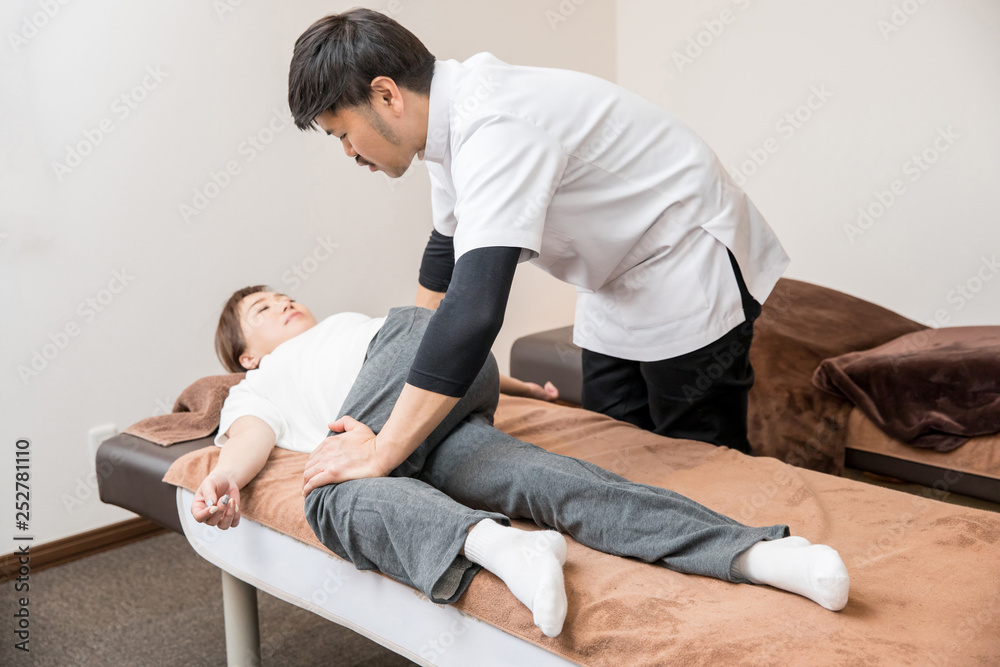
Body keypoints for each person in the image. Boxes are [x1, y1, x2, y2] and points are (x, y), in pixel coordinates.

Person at [285, 9, 790, 484]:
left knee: (702, 460)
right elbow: (445, 251)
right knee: (618, 448)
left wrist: (384, 450)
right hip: (615, 275)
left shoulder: (495, 126)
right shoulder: (444, 123)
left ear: (386, 95)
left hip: (685, 257)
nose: (349, 152)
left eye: (343, 133)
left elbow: (474, 311)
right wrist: (401, 378)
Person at [191, 286, 850, 638]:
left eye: (283, 294)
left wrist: (515, 386)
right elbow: (247, 438)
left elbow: (421, 345)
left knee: (326, 492)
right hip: (429, 438)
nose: (284, 302)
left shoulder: (348, 324)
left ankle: (503, 547)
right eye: (263, 309)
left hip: (432, 357)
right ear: (247, 356)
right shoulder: (259, 385)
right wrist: (222, 476)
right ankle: (758, 555)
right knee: (541, 480)